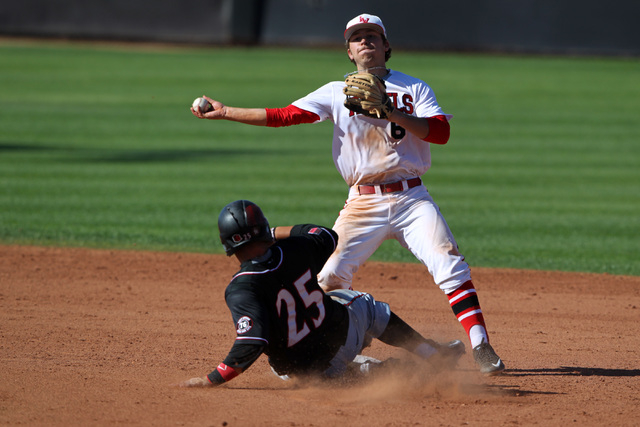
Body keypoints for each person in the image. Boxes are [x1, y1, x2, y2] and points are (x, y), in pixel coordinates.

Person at [190, 14, 505, 375]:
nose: (365, 41)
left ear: (386, 45)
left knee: (448, 262)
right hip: (363, 202)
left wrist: (391, 111)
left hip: (412, 199)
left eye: (372, 35)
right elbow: (284, 115)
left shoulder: (414, 88)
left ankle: (481, 346)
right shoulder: (334, 92)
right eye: (357, 38)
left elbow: (440, 133)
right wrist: (226, 111)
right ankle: (340, 354)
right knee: (328, 278)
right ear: (349, 52)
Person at [176, 200, 465, 387]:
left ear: (228, 245)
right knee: (365, 305)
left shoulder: (240, 288)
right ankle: (432, 355)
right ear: (262, 229)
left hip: (296, 373)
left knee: (298, 357)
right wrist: (273, 233)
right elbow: (326, 234)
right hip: (340, 341)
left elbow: (252, 341)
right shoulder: (296, 249)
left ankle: (357, 375)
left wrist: (212, 379)